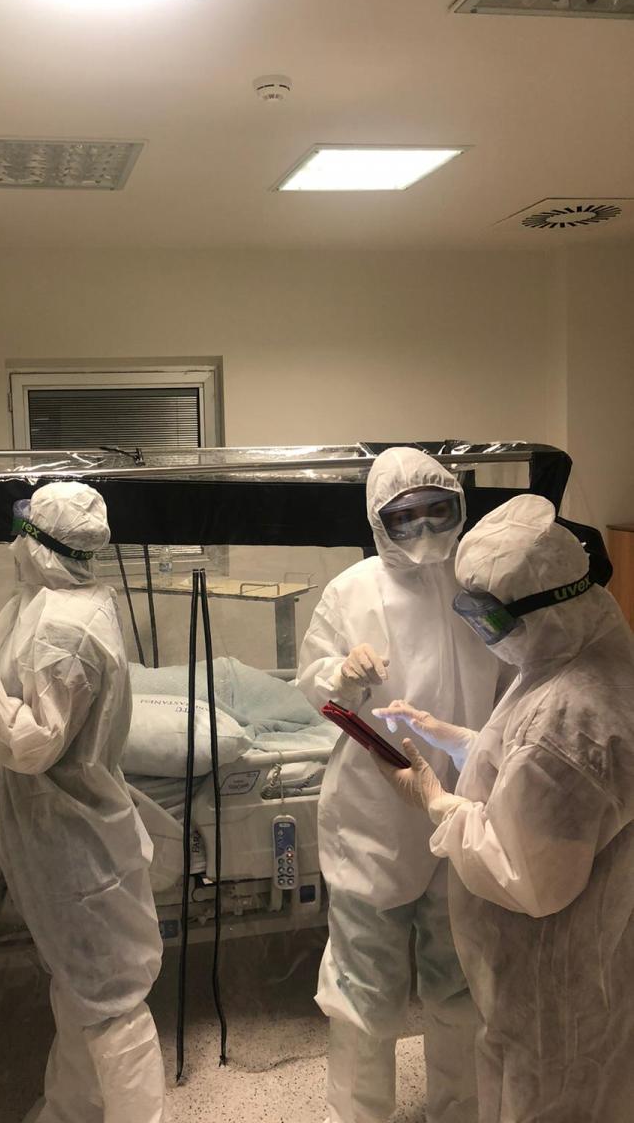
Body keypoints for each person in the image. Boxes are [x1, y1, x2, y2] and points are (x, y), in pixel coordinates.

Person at [373, 494, 634, 1123]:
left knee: (545, 1096)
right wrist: (456, 738)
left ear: (548, 600)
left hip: (556, 982)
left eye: (488, 617)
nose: (481, 632)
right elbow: (539, 780)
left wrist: (436, 801)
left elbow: (525, 874)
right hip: (586, 963)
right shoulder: (577, 648)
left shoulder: (570, 711)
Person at [0, 481, 165, 1123]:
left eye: (23, 526)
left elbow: (32, 745)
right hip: (50, 831)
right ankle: (71, 1111)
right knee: (80, 990)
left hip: (77, 840)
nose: (12, 538)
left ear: (39, 544)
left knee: (110, 1002)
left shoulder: (66, 629)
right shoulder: (42, 600)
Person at [297, 447, 504, 1123]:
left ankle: (460, 1111)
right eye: (404, 517)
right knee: (364, 993)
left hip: (463, 803)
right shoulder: (350, 590)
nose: (423, 528)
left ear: (459, 505)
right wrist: (341, 674)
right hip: (374, 814)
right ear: (377, 521)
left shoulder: (479, 582)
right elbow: (313, 686)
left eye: (437, 511)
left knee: (463, 986)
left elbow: (514, 679)